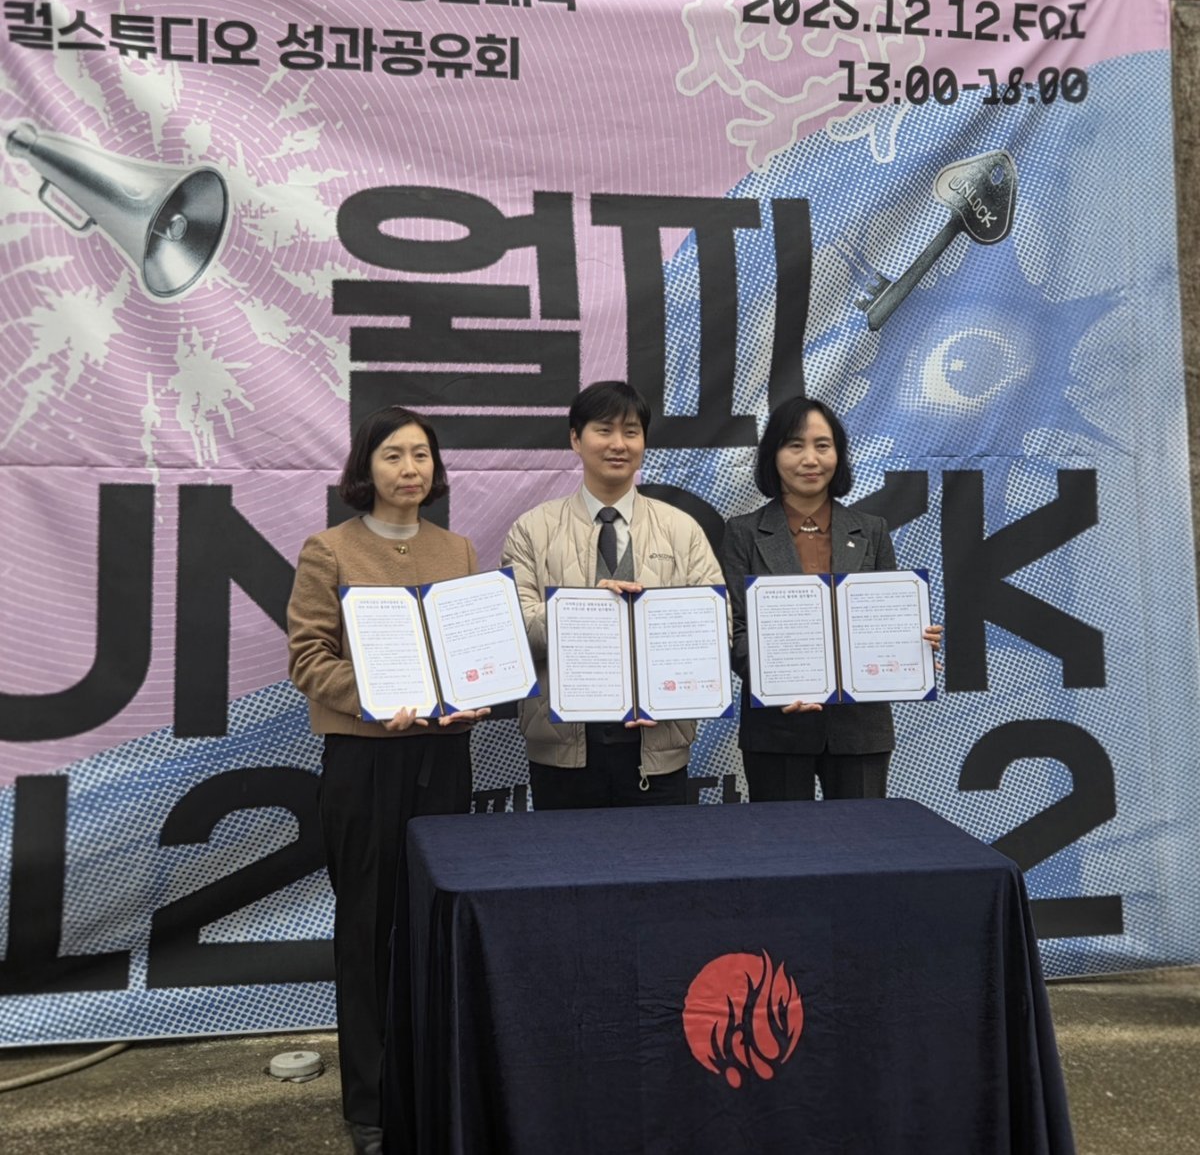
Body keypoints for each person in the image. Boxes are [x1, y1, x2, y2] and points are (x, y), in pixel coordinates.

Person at [286, 406, 488, 1155]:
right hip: (366, 759)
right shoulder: (329, 549)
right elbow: (308, 658)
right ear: (365, 468)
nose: (410, 469)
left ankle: (434, 1085)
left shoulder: (457, 549)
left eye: (422, 455)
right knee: (369, 929)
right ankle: (370, 1108)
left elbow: (473, 650)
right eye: (394, 455)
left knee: (436, 921)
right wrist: (375, 696)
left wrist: (478, 689)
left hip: (444, 756)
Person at [502, 380, 724, 809]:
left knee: (657, 853)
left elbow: (714, 628)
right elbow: (514, 629)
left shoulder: (681, 530)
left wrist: (670, 696)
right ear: (576, 439)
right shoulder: (532, 529)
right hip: (563, 750)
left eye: (631, 431)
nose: (618, 444)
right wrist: (584, 609)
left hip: (657, 745)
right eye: (604, 430)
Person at [721, 396, 941, 802]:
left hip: (860, 727)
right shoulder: (743, 532)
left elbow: (886, 617)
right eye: (795, 445)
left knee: (862, 839)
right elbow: (734, 628)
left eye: (822, 445)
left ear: (838, 455)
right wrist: (776, 685)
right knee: (784, 840)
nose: (810, 459)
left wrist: (913, 644)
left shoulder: (872, 530)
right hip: (777, 728)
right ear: (772, 456)